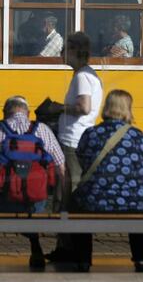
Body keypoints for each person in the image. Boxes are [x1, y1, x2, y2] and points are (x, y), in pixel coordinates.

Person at [70, 90, 143, 272]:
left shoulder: (91, 133)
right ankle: (141, 260)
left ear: (106, 107)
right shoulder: (137, 135)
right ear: (128, 109)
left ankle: (83, 260)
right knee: (141, 209)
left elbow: (81, 159)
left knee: (76, 205)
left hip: (95, 200)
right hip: (135, 201)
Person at [46, 31, 103, 262]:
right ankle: (67, 246)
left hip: (72, 141)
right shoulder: (87, 75)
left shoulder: (82, 76)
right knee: (67, 193)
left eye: (65, 49)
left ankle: (69, 248)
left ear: (75, 51)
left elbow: (84, 107)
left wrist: (57, 108)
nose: (61, 54)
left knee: (68, 194)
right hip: (75, 139)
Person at [0, 96, 65, 269]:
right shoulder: (41, 129)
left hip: (5, 198)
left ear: (5, 113)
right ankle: (35, 247)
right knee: (34, 208)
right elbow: (60, 164)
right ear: (28, 113)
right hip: (35, 199)